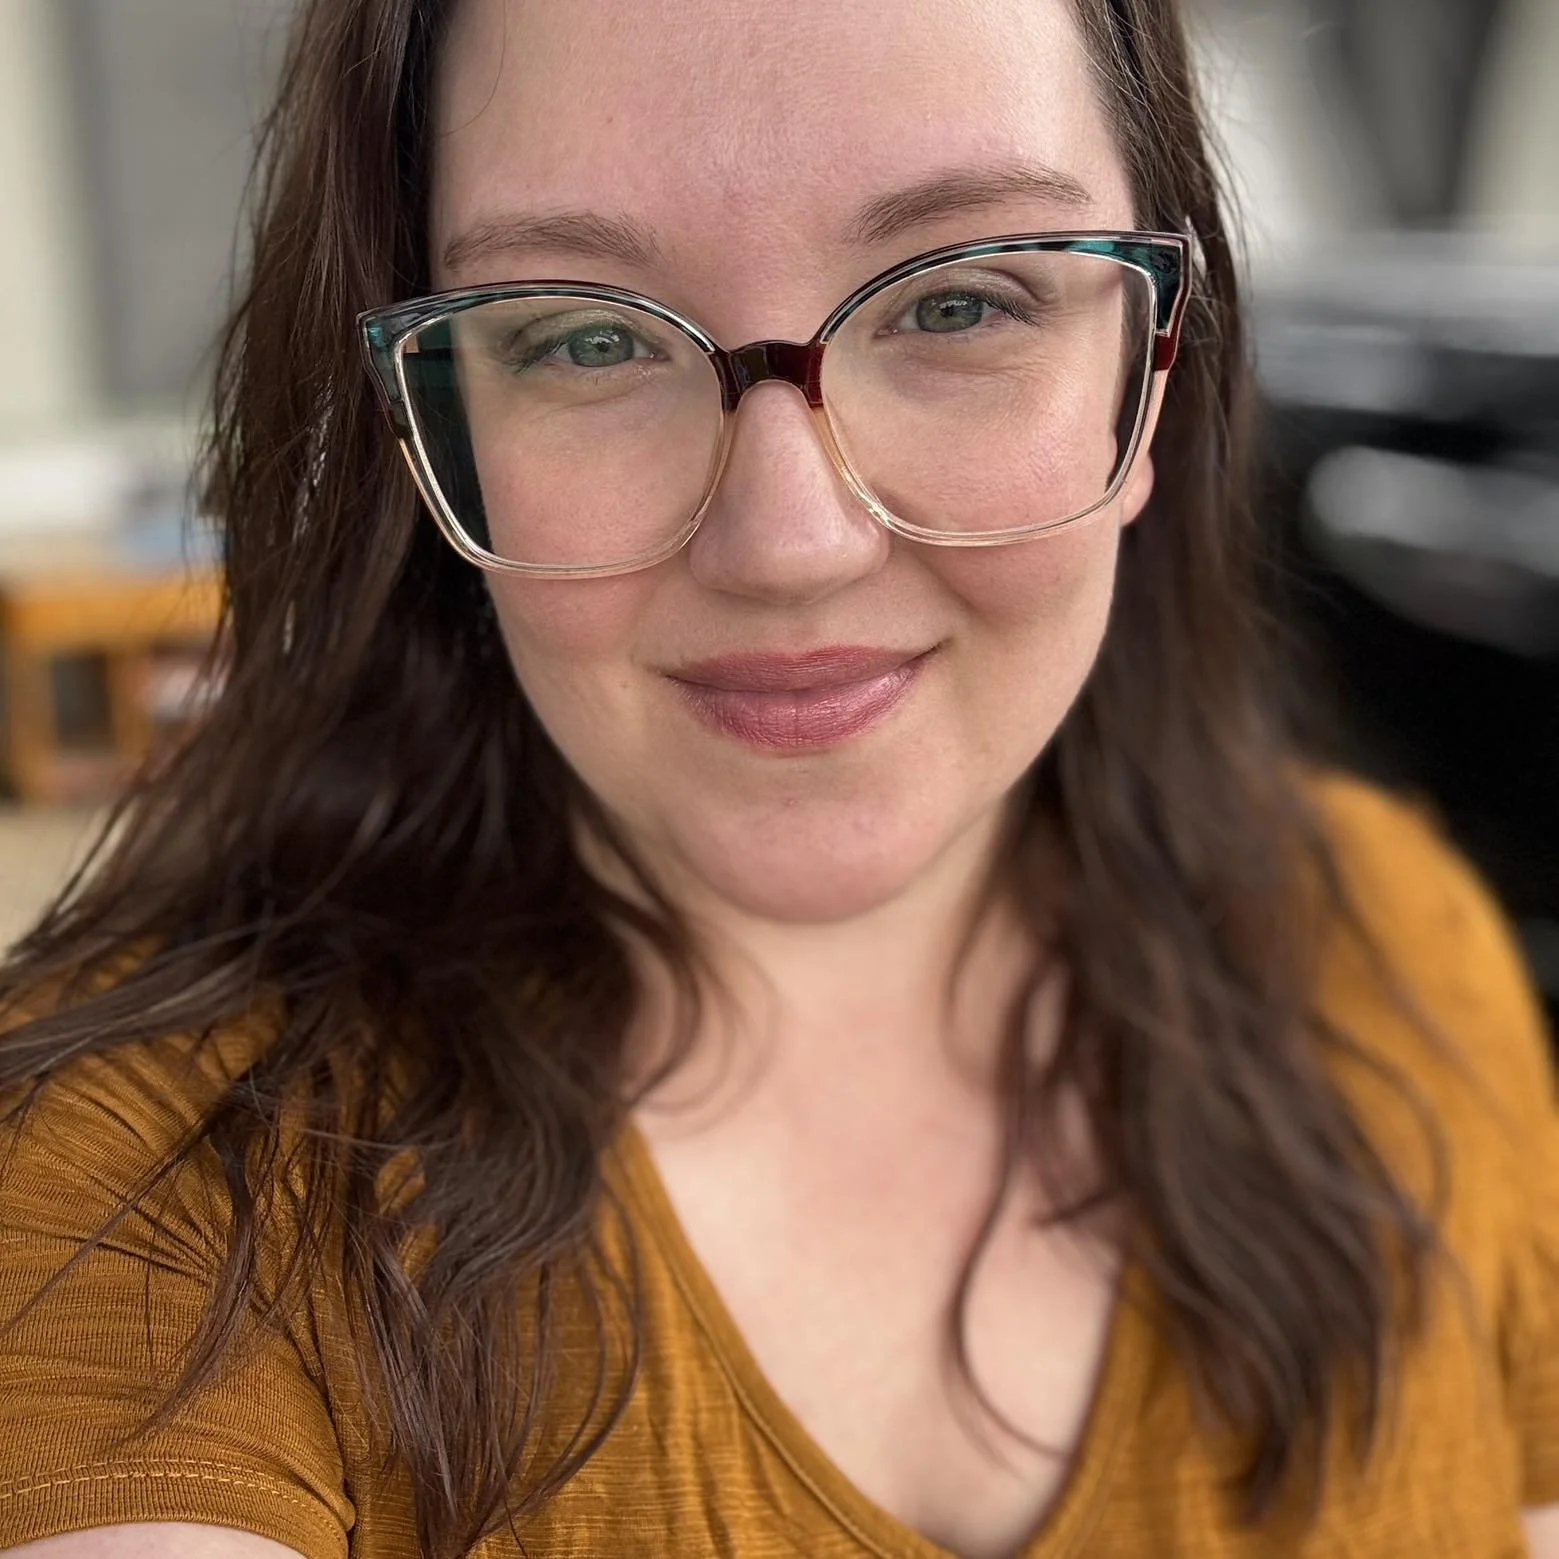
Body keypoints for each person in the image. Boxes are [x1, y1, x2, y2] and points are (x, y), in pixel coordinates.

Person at [0, 0, 1555, 1555]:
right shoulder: (145, 1188)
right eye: (587, 334)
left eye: (957, 304)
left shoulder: (1387, 952)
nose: (788, 543)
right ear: (433, 429)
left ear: (1147, 372)